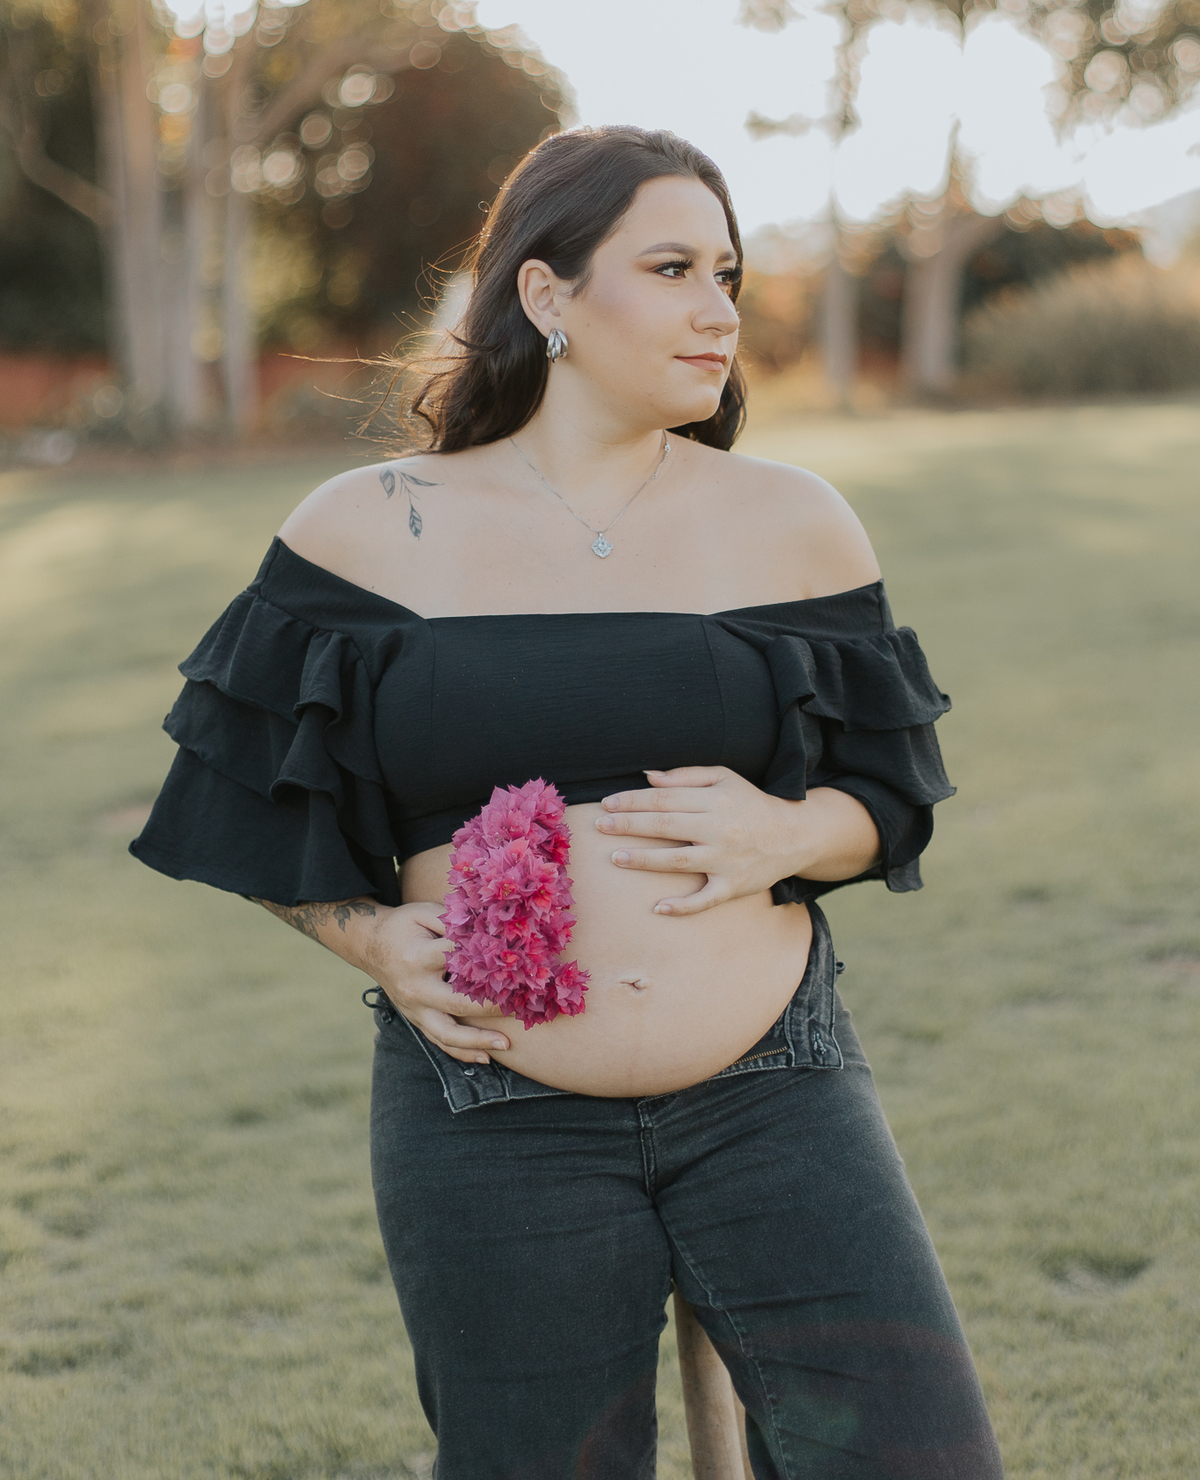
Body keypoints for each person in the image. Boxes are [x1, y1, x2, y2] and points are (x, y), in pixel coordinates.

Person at [131, 125, 1004, 1480]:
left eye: (726, 272)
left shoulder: (793, 519)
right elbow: (240, 805)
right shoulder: (364, 527)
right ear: (547, 294)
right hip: (493, 1110)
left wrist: (788, 830)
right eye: (671, 269)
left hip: (778, 1092)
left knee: (918, 1459)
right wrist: (377, 942)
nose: (720, 309)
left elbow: (890, 795)